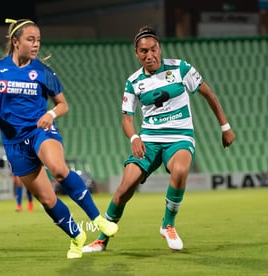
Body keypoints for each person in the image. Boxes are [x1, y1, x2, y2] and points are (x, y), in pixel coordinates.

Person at [82, 25, 236, 253]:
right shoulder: (133, 82)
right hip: (149, 140)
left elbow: (209, 95)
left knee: (181, 171)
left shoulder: (181, 69)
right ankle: (102, 239)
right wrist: (134, 137)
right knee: (124, 188)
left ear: (160, 48)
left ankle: (168, 225)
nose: (149, 55)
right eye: (143, 51)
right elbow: (126, 119)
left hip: (180, 136)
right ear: (137, 54)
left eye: (153, 49)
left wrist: (225, 127)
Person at [0, 18, 118, 259]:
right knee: (46, 198)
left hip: (40, 131)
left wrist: (50, 113)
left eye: (38, 40)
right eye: (30, 40)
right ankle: (77, 237)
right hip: (13, 143)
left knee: (59, 170)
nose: (36, 45)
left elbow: (63, 105)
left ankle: (98, 220)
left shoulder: (43, 72)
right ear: (15, 41)